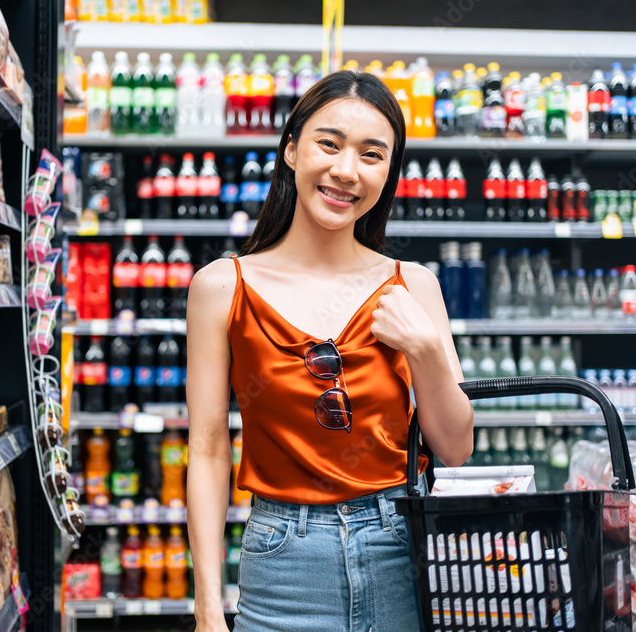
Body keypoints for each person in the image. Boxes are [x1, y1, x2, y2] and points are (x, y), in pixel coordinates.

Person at [186, 70, 474, 631]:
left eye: (372, 154)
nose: (346, 171)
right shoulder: (222, 286)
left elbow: (456, 447)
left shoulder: (414, 285)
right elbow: (208, 448)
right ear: (291, 150)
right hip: (282, 562)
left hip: (402, 548)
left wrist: (426, 350)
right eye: (329, 143)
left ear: (387, 173)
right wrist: (206, 609)